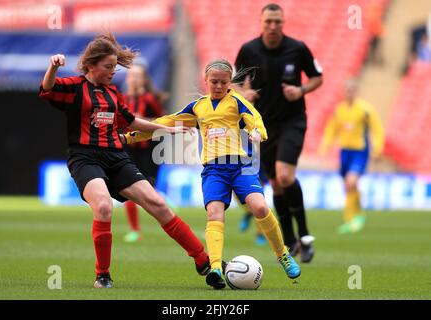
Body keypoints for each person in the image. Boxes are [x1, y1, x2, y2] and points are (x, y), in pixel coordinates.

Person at [38, 33, 213, 289]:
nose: (113, 72)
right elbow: (48, 88)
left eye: (115, 67)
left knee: (157, 203)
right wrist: (53, 66)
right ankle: (103, 275)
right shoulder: (75, 87)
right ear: (91, 66)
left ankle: (202, 259)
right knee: (104, 206)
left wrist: (165, 129)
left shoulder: (112, 93)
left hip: (116, 156)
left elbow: (131, 122)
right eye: (108, 67)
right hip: (84, 157)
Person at [124, 59, 301, 290]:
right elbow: (164, 122)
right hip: (214, 170)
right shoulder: (198, 107)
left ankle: (283, 255)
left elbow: (254, 119)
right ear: (206, 81)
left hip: (241, 166)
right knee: (214, 213)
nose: (218, 86)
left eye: (223, 82)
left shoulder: (237, 102)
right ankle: (216, 267)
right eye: (214, 81)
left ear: (229, 83)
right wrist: (130, 136)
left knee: (259, 207)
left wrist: (258, 133)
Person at [233, 3, 323, 263]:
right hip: (263, 126)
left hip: (293, 121)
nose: (273, 26)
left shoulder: (298, 48)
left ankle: (304, 236)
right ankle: (291, 240)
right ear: (261, 23)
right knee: (277, 185)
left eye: (277, 22)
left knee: (284, 176)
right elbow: (236, 85)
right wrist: (244, 94)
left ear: (283, 23)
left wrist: (301, 91)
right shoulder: (248, 50)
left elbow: (317, 77)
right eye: (268, 22)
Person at [318, 78, 384, 234]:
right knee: (348, 185)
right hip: (345, 151)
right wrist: (325, 146)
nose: (349, 93)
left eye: (352, 90)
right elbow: (331, 129)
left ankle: (351, 219)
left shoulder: (365, 110)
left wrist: (377, 149)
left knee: (350, 181)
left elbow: (377, 129)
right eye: (347, 90)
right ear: (343, 92)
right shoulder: (339, 110)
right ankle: (357, 214)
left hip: (360, 151)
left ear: (356, 91)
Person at [119, 60, 168, 243]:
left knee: (149, 192)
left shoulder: (150, 99)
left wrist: (142, 120)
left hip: (150, 150)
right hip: (128, 149)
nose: (134, 79)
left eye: (138, 76)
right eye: (132, 75)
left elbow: (163, 121)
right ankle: (134, 230)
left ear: (144, 79)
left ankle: (168, 220)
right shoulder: (121, 99)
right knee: (128, 188)